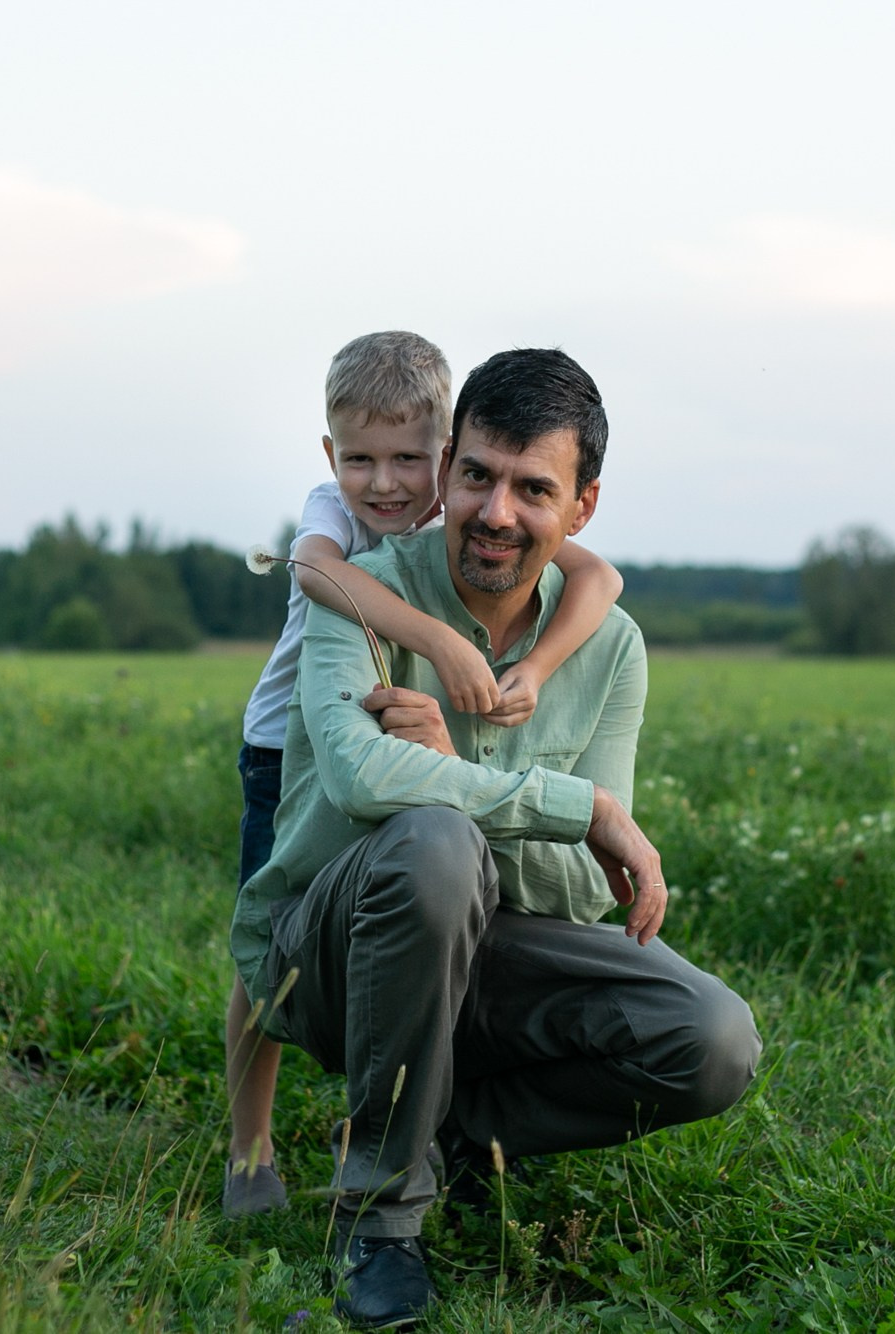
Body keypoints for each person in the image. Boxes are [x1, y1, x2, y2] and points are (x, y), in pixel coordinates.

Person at [229, 347, 761, 1327]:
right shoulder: (354, 593)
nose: (497, 511)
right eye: (477, 475)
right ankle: (378, 1219)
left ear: (580, 507)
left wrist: (461, 784)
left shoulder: (607, 645)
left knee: (714, 1038)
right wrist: (575, 806)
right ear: (449, 471)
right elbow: (359, 776)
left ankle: (451, 1129)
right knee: (431, 843)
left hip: (491, 951)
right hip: (333, 958)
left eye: (533, 488)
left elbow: (579, 893)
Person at [223, 331, 625, 1219]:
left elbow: (599, 574)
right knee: (265, 949)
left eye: (411, 459)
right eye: (361, 459)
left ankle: (413, 1115)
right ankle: (248, 1149)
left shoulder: (474, 515)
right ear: (332, 456)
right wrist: (439, 638)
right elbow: (328, 579)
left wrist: (544, 666)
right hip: (289, 748)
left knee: (419, 889)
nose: (387, 483)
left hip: (401, 751)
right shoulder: (330, 518)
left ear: (442, 456)